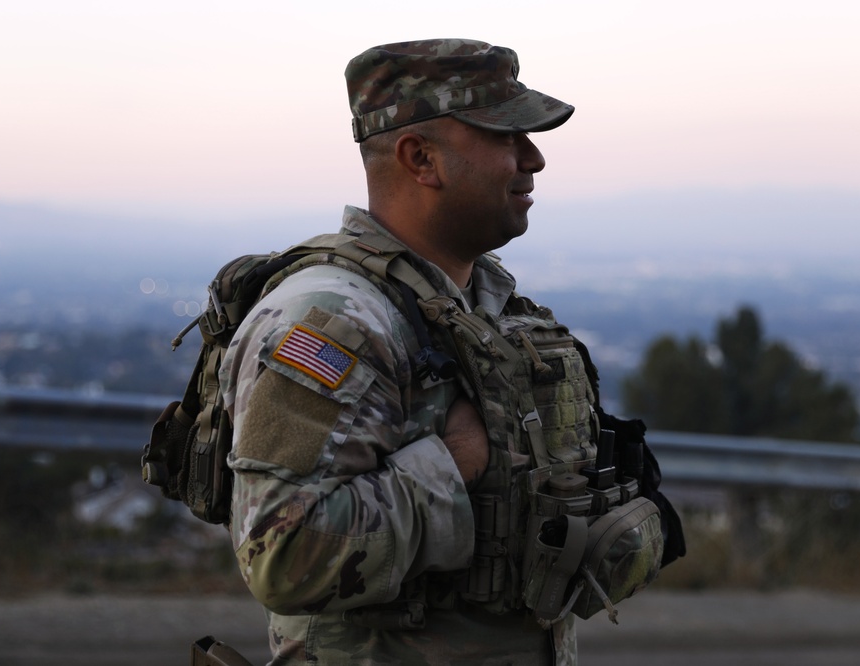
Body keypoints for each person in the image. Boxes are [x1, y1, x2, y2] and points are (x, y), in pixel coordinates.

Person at [220, 39, 671, 666]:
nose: (534, 159)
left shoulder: (487, 308)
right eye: (506, 138)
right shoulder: (333, 321)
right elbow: (282, 556)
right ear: (421, 158)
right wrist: (452, 464)